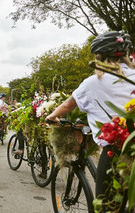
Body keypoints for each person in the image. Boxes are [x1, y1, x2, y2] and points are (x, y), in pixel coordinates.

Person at [46, 31, 135, 211]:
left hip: (117, 153)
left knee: (106, 207)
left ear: (99, 57)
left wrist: (51, 117)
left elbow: (68, 105)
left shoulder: (93, 82)